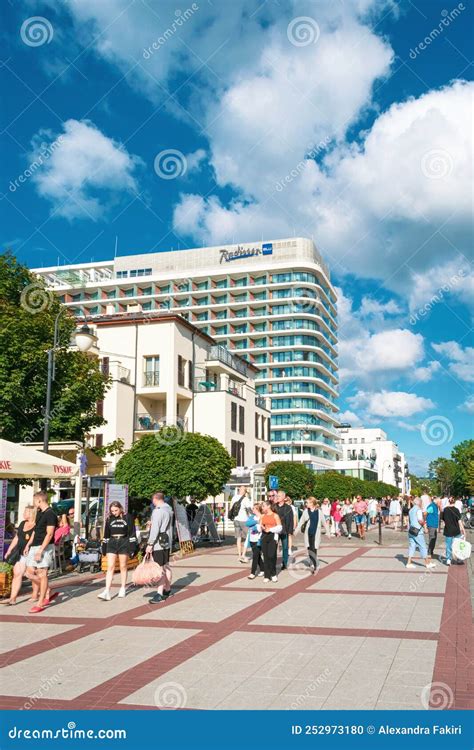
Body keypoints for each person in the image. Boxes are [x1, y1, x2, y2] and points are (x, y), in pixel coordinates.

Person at [25, 491, 58, 613]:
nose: (34, 503)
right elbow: (35, 530)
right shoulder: (39, 513)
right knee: (28, 572)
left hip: (45, 546)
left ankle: (41, 602)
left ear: (39, 500)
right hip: (34, 545)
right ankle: (49, 590)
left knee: (42, 573)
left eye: (35, 501)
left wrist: (41, 550)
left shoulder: (51, 514)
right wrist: (28, 545)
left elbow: (49, 534)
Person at [97, 501, 136, 601]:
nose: (114, 512)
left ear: (120, 508)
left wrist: (132, 548)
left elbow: (132, 533)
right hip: (112, 542)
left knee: (123, 566)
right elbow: (106, 534)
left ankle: (123, 588)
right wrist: (104, 547)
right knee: (110, 567)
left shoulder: (128, 517)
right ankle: (107, 591)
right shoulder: (109, 519)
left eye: (116, 510)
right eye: (112, 511)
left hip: (123, 542)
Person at [3, 505, 36, 605]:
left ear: (31, 514)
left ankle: (46, 588)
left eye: (25, 512)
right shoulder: (22, 523)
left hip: (30, 553)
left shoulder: (36, 525)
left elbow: (33, 539)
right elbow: (17, 538)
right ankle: (12, 599)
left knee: (30, 574)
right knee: (17, 574)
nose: (23, 514)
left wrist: (28, 546)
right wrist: (9, 550)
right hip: (19, 552)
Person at [146, 492, 174, 602]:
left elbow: (155, 529)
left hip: (158, 543)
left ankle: (159, 593)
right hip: (167, 541)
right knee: (166, 566)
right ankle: (167, 589)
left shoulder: (157, 511)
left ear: (154, 499)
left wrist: (150, 544)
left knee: (159, 569)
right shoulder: (169, 509)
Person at [406, 498, 435, 569]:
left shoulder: (411, 510)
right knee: (422, 546)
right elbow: (420, 520)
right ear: (419, 503)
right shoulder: (418, 510)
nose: (422, 504)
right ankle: (427, 563)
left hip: (411, 530)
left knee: (412, 546)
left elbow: (410, 520)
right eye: (421, 503)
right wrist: (425, 527)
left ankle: (408, 563)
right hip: (417, 531)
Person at [295, 497, 321, 573]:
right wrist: (296, 530)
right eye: (306, 503)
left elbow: (324, 521)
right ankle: (312, 562)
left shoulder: (318, 511)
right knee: (309, 548)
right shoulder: (306, 511)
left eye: (308, 503)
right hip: (308, 533)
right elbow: (301, 521)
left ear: (312, 503)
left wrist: (328, 532)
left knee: (314, 548)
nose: (306, 504)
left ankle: (314, 564)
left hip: (316, 533)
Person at [228, 486, 253, 562]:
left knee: (238, 538)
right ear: (244, 491)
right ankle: (243, 555)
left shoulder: (233, 498)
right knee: (247, 537)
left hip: (236, 520)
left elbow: (230, 509)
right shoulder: (245, 499)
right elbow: (249, 510)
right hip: (244, 520)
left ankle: (239, 555)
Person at [260, 499, 282, 582]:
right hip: (264, 536)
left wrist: (271, 529)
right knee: (265, 556)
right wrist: (261, 527)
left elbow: (280, 527)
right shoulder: (262, 516)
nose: (262, 508)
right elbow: (260, 526)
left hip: (273, 536)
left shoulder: (275, 515)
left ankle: (273, 574)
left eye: (263, 506)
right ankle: (267, 575)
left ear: (268, 506)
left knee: (272, 555)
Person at [441, 497, 466, 566]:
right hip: (456, 530)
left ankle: (448, 559)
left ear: (449, 502)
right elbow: (459, 521)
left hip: (448, 530)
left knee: (448, 545)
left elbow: (443, 520)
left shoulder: (445, 510)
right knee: (457, 545)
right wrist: (463, 530)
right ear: (454, 502)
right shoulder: (457, 510)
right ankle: (458, 559)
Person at [245, 503, 264, 579]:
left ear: (257, 509)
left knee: (255, 556)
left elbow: (261, 528)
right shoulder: (252, 517)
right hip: (252, 539)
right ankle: (263, 569)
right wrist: (256, 522)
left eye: (254, 508)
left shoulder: (262, 517)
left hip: (258, 540)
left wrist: (255, 527)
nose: (252, 510)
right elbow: (247, 523)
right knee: (258, 556)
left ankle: (253, 572)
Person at [426, 497, 440, 561]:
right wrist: (425, 522)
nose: (440, 503)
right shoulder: (431, 506)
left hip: (434, 525)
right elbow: (425, 513)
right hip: (431, 525)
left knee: (434, 538)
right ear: (437, 502)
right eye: (440, 502)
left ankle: (431, 551)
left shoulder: (435, 506)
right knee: (432, 538)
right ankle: (429, 552)